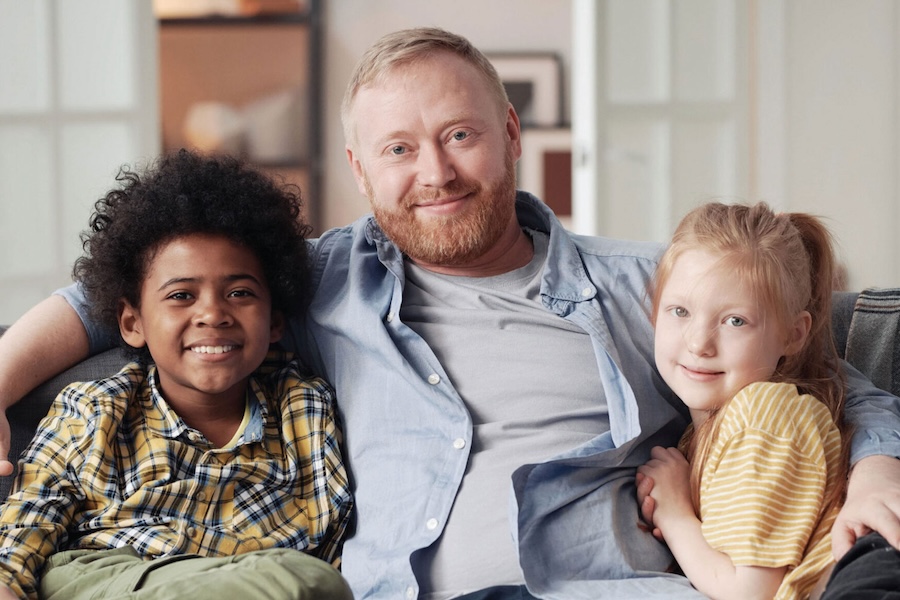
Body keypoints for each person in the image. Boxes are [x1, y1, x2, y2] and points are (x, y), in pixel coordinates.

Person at [0, 27, 899, 599]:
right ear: (360, 169)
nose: (434, 173)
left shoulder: (646, 289)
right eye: (399, 148)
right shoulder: (312, 283)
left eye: (459, 135)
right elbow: (112, 297)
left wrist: (875, 469)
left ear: (509, 135)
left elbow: (821, 368)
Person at [0, 150, 353, 600]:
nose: (212, 313)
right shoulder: (93, 409)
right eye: (182, 295)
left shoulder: (306, 408)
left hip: (264, 577)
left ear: (276, 321)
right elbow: (27, 522)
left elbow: (335, 532)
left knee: (309, 579)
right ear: (132, 324)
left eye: (240, 292)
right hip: (109, 574)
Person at [637, 202, 849, 599]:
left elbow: (751, 594)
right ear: (653, 312)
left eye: (735, 320)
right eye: (679, 311)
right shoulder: (708, 431)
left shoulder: (764, 418)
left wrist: (675, 512)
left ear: (793, 334)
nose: (699, 343)